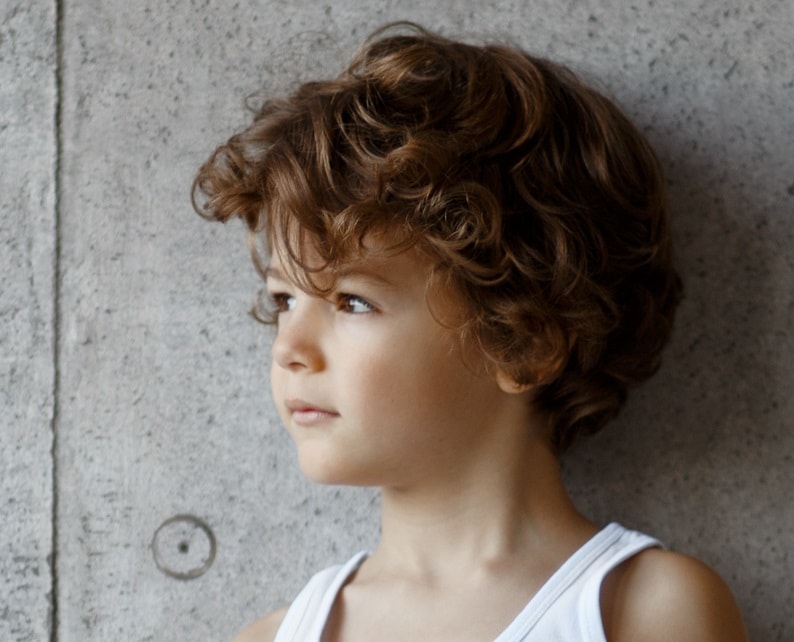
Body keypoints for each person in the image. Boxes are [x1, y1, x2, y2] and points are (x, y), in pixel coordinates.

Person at [192, 22, 747, 642]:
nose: (288, 349)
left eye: (351, 301)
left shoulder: (647, 611)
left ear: (525, 341)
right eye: (284, 299)